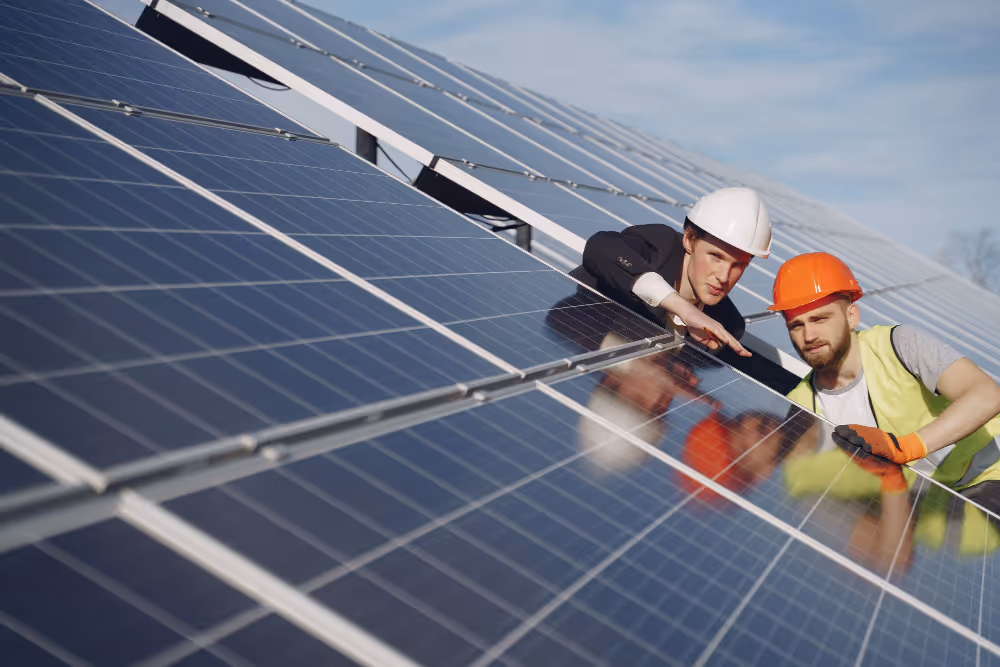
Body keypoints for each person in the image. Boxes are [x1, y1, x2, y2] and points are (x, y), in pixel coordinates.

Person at [768, 252, 1000, 507]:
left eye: (820, 318)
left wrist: (906, 448)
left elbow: (986, 395)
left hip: (993, 470)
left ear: (851, 316)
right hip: (941, 505)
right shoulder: (802, 405)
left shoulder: (900, 344)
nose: (808, 335)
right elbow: (802, 486)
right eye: (796, 325)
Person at [571, 186, 771, 356]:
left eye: (739, 265)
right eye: (716, 256)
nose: (723, 276)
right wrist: (683, 308)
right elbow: (601, 247)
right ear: (689, 240)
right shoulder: (660, 245)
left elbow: (687, 368)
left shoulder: (728, 323)